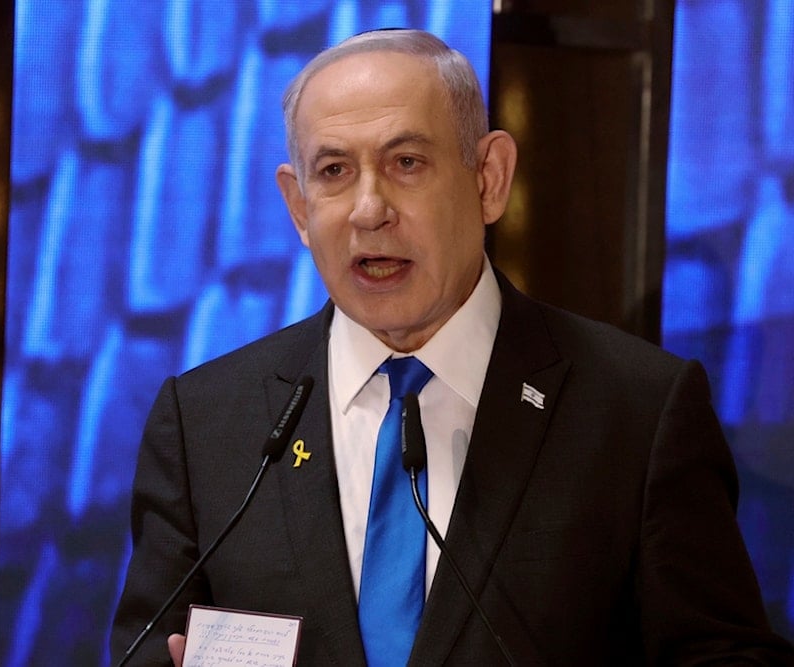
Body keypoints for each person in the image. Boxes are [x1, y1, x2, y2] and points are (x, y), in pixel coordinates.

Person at [109, 29, 794, 665]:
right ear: (298, 206)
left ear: (489, 177)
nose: (369, 208)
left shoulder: (637, 412)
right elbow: (145, 648)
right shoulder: (205, 422)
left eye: (407, 162)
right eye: (334, 171)